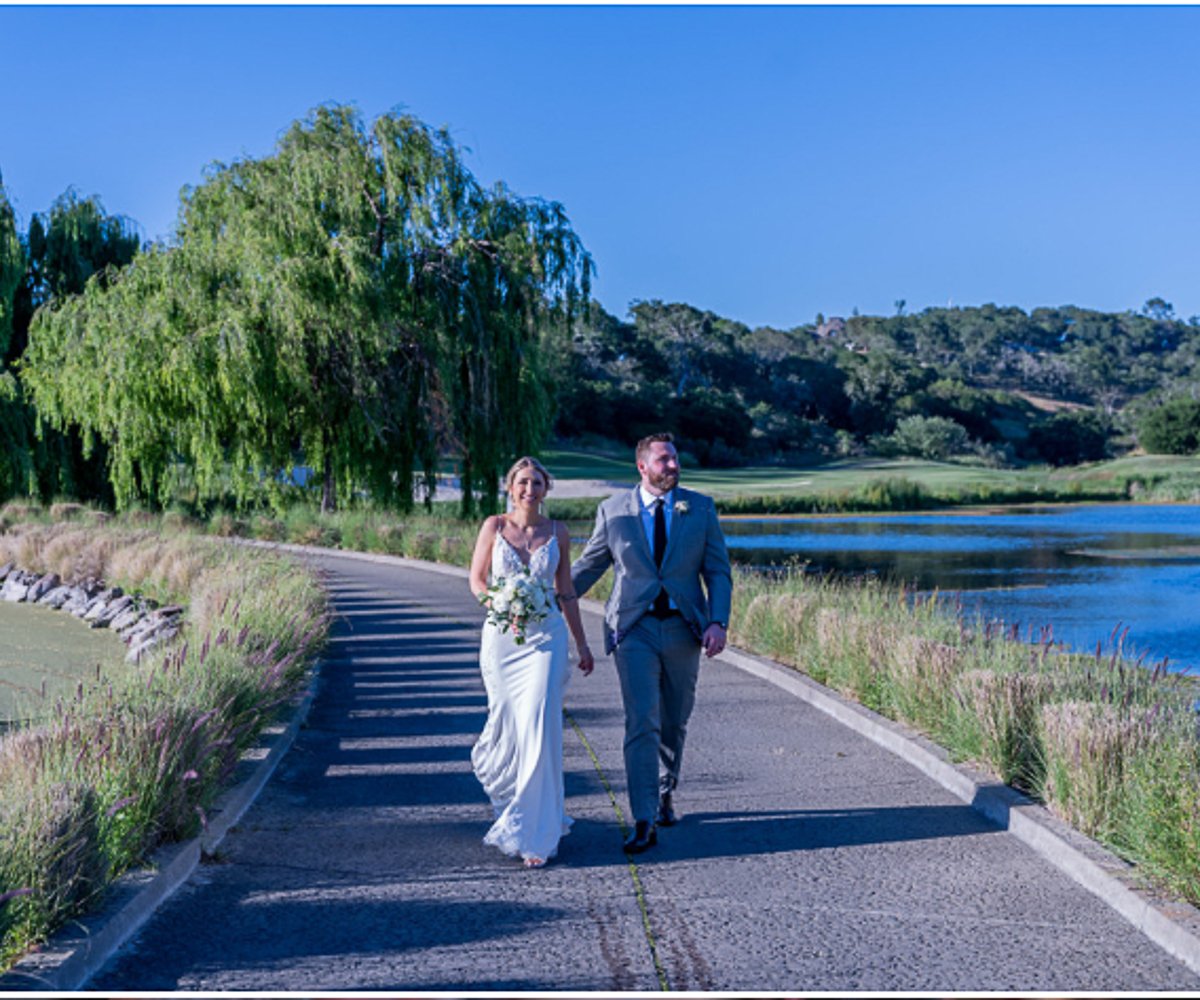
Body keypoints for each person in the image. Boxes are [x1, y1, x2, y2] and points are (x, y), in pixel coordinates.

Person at [571, 432, 732, 854]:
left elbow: (717, 571)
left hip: (685, 629)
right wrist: (542, 598)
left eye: (675, 458)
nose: (673, 466)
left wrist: (718, 620)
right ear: (642, 467)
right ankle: (642, 819)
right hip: (634, 629)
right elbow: (588, 567)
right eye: (664, 460)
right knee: (641, 721)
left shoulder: (699, 508)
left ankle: (664, 789)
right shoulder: (613, 511)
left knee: (674, 721)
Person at [468, 456, 595, 868]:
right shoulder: (494, 526)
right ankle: (509, 802)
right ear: (511, 487)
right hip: (502, 639)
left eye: (537, 483)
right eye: (523, 482)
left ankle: (534, 831)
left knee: (539, 723)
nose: (530, 490)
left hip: (545, 639)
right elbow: (476, 580)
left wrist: (583, 644)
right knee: (506, 720)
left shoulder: (558, 532)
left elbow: (566, 592)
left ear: (546, 488)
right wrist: (500, 602)